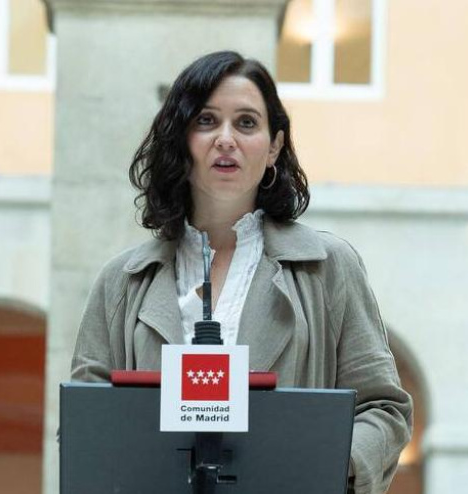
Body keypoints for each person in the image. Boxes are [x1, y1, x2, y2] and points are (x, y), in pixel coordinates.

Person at [70, 51, 412, 494]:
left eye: (247, 123)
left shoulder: (330, 267)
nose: (226, 139)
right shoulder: (122, 281)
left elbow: (384, 408)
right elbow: (87, 422)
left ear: (273, 147)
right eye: (207, 121)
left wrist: (324, 464)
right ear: (181, 139)